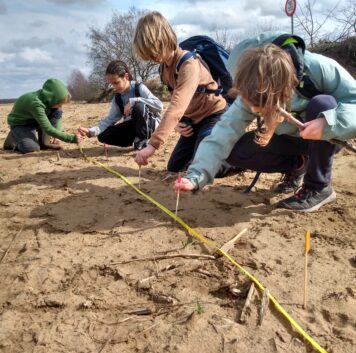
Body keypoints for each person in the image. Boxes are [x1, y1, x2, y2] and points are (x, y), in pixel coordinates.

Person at [174, 31, 356, 212]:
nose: (254, 110)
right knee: (236, 150)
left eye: (260, 104)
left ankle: (318, 186)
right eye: (250, 102)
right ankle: (298, 165)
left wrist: (329, 123)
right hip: (290, 141)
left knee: (322, 104)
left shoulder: (319, 68)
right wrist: (195, 177)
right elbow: (223, 132)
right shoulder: (252, 84)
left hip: (329, 138)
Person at [132, 11, 233, 176]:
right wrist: (182, 121)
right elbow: (179, 101)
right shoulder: (164, 69)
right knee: (175, 166)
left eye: (153, 51)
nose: (151, 57)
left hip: (214, 115)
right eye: (147, 54)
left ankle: (238, 157)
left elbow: (177, 106)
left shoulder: (188, 64)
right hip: (192, 122)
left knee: (203, 165)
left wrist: (152, 145)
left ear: (163, 39)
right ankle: (206, 149)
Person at [78, 60, 162, 151]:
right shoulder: (117, 98)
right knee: (102, 136)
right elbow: (110, 119)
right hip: (132, 126)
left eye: (116, 82)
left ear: (126, 77)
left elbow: (159, 106)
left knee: (139, 106)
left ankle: (144, 140)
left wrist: (134, 100)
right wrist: (91, 131)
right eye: (111, 84)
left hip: (151, 126)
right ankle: (136, 141)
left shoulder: (139, 88)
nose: (114, 87)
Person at [3, 78, 81, 153]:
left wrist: (56, 134)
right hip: (21, 124)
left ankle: (44, 143)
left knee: (57, 111)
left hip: (34, 119)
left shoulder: (48, 100)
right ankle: (12, 142)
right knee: (32, 148)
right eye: (59, 104)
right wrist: (71, 138)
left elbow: (58, 117)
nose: (60, 106)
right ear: (52, 98)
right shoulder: (36, 103)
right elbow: (48, 128)